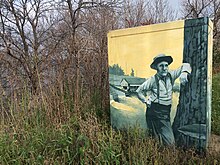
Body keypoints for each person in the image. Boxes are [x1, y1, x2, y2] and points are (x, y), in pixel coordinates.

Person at [136, 54, 191, 146]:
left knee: (164, 139)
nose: (164, 68)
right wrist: (145, 101)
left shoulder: (171, 75)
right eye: (161, 66)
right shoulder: (152, 80)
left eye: (166, 65)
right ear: (156, 68)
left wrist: (184, 73)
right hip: (154, 110)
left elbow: (186, 65)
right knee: (156, 138)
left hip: (165, 111)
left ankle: (163, 155)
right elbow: (139, 91)